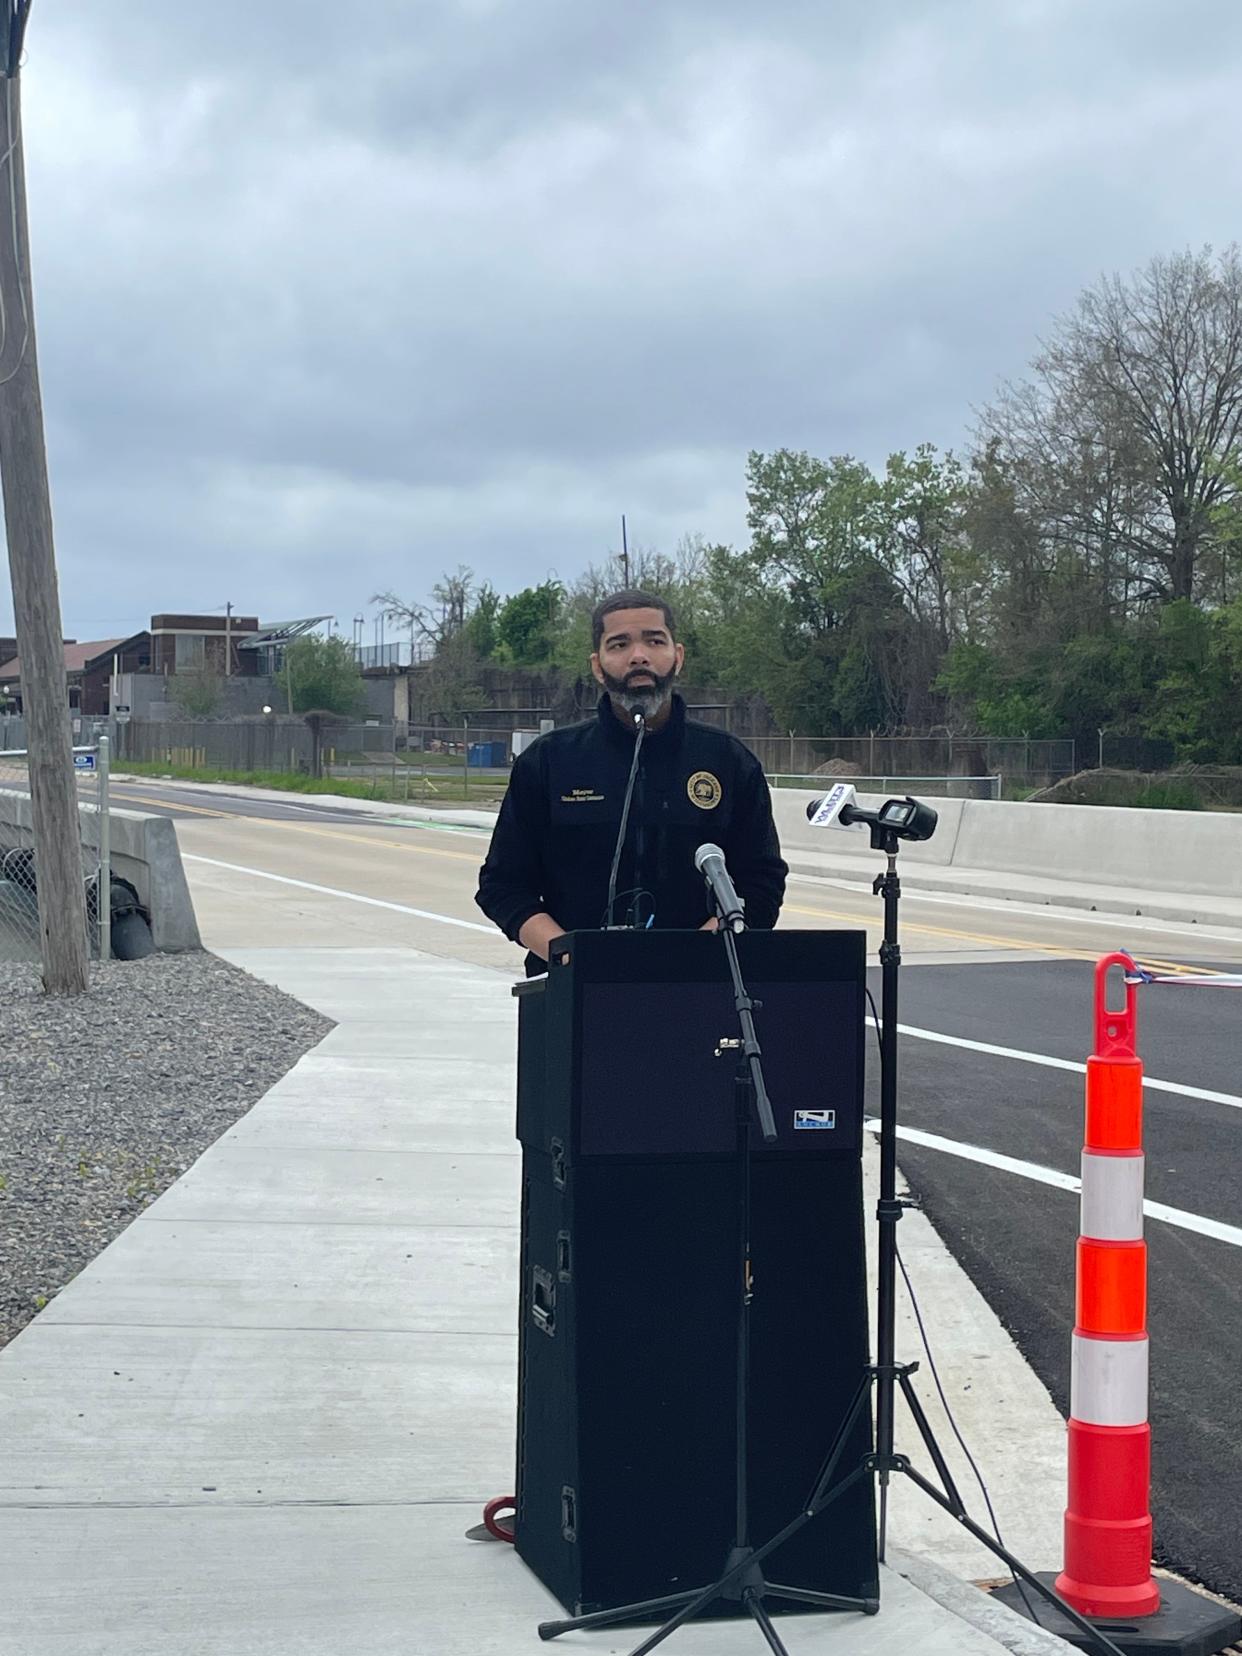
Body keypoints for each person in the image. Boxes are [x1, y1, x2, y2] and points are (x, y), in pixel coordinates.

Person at [475, 589, 787, 970]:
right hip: (569, 992)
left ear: (678, 656)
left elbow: (761, 885)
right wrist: (573, 959)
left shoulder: (728, 761)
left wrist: (695, 960)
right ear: (597, 664)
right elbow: (503, 886)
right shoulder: (549, 761)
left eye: (655, 641)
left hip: (703, 990)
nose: (639, 655)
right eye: (619, 644)